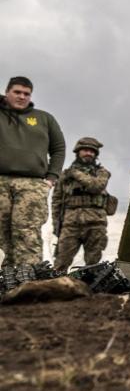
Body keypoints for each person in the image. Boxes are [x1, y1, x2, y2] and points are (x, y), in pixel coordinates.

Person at [0, 76, 65, 265]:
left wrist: (52, 177)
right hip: (0, 180)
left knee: (27, 233)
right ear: (7, 93)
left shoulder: (44, 118)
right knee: (0, 235)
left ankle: (26, 283)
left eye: (26, 94)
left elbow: (58, 148)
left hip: (32, 184)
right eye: (17, 92)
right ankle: (3, 283)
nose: (22, 97)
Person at [51, 137, 112, 271]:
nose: (89, 153)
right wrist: (56, 225)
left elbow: (96, 186)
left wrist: (76, 174)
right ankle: (55, 290)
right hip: (70, 224)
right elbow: (56, 201)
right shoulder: (65, 176)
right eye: (85, 150)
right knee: (60, 263)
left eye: (92, 151)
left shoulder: (102, 172)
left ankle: (88, 291)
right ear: (78, 152)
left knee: (93, 266)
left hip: (96, 223)